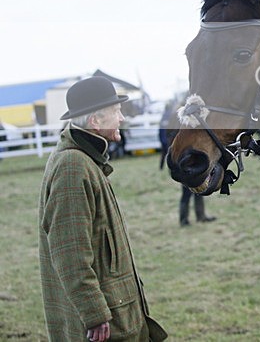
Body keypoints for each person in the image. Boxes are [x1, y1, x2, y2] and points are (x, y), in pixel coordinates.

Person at [38, 76, 167, 341]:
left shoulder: (84, 159)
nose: (121, 118)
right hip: (107, 325)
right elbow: (69, 251)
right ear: (95, 121)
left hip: (118, 312)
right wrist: (93, 312)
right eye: (116, 112)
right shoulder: (73, 166)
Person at [159, 103, 215, 227]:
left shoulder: (188, 121)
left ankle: (201, 216)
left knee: (200, 187)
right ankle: (184, 219)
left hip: (191, 158)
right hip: (183, 161)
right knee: (186, 192)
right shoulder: (177, 124)